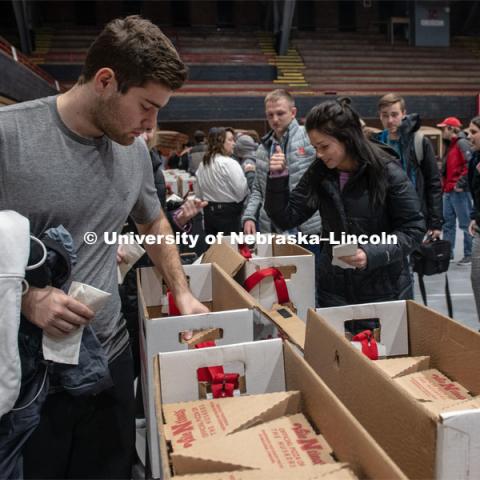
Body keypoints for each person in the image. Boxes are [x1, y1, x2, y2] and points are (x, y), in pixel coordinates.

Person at [0, 15, 208, 479]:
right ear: (106, 80)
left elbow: (152, 219)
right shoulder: (9, 137)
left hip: (109, 359)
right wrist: (27, 298)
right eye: (146, 107)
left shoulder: (133, 150)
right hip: (32, 374)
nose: (152, 125)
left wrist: (181, 290)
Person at [265, 97, 425, 307]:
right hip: (333, 289)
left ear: (347, 139)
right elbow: (287, 217)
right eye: (315, 147)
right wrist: (277, 179)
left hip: (383, 290)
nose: (319, 154)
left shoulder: (387, 171)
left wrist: (370, 253)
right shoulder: (320, 171)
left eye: (324, 146)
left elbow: (413, 229)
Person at [241, 89, 321, 236]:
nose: (275, 119)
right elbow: (258, 189)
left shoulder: (310, 138)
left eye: (280, 113)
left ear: (293, 112)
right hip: (273, 229)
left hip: (308, 228)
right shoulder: (262, 149)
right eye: (270, 115)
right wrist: (249, 216)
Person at [375, 93, 443, 239]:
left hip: (415, 214)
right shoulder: (376, 143)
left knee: (417, 259)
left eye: (394, 114)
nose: (390, 120)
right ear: (379, 116)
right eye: (385, 115)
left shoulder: (419, 141)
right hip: (387, 216)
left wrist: (435, 223)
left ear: (404, 114)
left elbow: (433, 183)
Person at [196, 127, 249, 235]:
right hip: (228, 215)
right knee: (230, 250)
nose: (234, 143)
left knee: (213, 249)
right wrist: (248, 173)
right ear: (220, 141)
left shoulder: (203, 164)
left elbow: (199, 194)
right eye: (230, 140)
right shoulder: (229, 163)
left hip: (208, 214)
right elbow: (242, 193)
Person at [438, 116, 473, 265]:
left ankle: (469, 254)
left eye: (443, 128)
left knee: (465, 224)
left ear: (451, 129)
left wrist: (460, 183)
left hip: (459, 191)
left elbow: (470, 164)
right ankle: (448, 253)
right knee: (448, 224)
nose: (442, 131)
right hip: (449, 191)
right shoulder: (451, 145)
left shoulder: (462, 143)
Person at [467, 117, 480, 321]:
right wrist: (474, 217)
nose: (468, 135)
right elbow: (475, 193)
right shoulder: (474, 160)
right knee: (477, 279)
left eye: (473, 131)